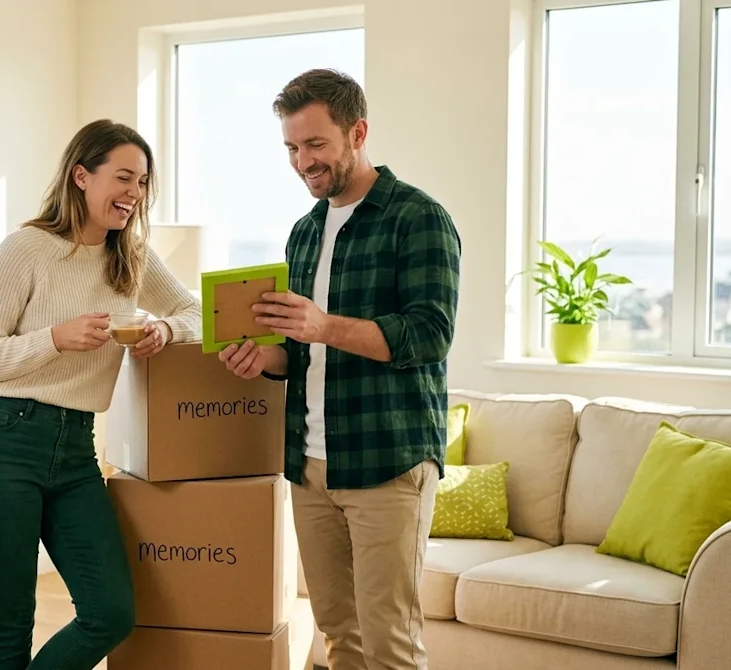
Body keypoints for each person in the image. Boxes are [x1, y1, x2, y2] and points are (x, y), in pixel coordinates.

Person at [219, 68, 461, 670]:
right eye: (292, 148)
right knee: (337, 638)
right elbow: (300, 349)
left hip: (386, 460)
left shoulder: (418, 218)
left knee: (389, 643)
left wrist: (323, 324)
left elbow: (429, 335)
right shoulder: (303, 234)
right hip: (310, 466)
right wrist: (265, 358)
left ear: (358, 131)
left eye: (316, 144)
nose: (303, 161)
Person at [0, 119, 201, 670]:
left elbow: (195, 311)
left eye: (142, 182)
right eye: (123, 178)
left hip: (75, 453)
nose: (134, 195)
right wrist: (55, 339)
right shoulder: (25, 249)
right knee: (11, 620)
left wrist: (166, 329)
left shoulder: (131, 256)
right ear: (81, 176)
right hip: (1, 443)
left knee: (110, 612)